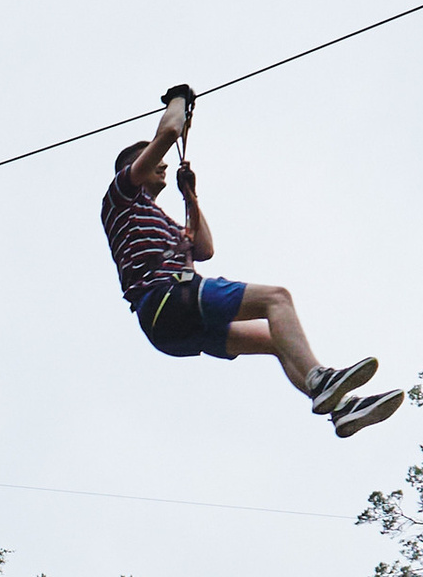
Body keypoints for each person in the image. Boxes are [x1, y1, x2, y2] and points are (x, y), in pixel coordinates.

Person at [99, 86, 401, 439]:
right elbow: (167, 133)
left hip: (169, 330)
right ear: (132, 167)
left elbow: (205, 250)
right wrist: (178, 100)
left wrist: (191, 196)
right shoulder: (121, 196)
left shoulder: (159, 219)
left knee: (277, 338)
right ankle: (321, 378)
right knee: (277, 298)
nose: (162, 163)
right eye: (151, 159)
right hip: (168, 301)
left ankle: (340, 410)